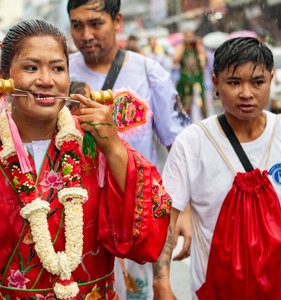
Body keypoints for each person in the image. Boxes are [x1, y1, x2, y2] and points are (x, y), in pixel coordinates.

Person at [0, 19, 177, 300]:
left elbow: (147, 238)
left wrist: (115, 150)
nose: (46, 80)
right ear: (3, 76)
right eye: (31, 67)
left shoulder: (96, 146)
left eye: (57, 68)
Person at [163, 37, 281, 299]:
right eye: (234, 83)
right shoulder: (192, 142)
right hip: (216, 289)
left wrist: (263, 230)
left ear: (271, 79)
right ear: (215, 82)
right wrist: (162, 284)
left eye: (258, 82)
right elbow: (167, 217)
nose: (246, 93)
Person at [67, 0, 190, 299]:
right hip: (74, 225)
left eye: (96, 23)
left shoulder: (149, 73)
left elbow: (181, 149)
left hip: (132, 223)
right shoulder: (60, 71)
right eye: (76, 25)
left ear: (117, 21)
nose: (85, 34)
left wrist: (184, 208)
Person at [173, 30, 207, 120]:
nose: (189, 39)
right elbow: (175, 60)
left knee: (202, 105)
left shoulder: (197, 48)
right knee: (185, 105)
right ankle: (186, 123)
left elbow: (205, 62)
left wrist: (199, 46)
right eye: (187, 36)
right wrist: (183, 46)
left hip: (198, 81)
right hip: (185, 82)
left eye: (191, 36)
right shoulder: (181, 47)